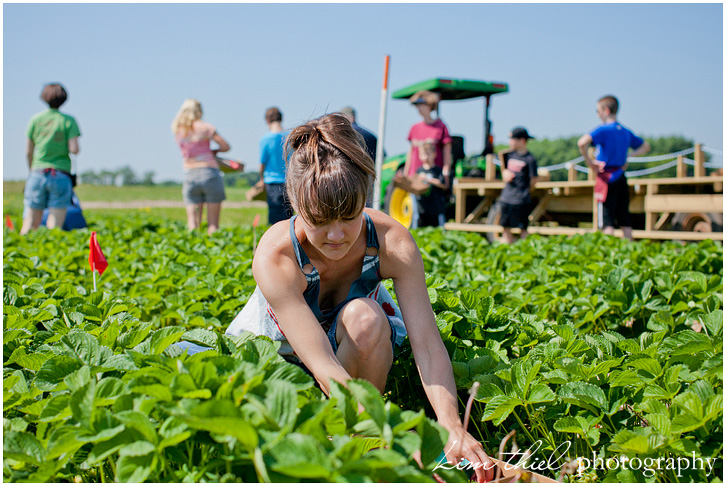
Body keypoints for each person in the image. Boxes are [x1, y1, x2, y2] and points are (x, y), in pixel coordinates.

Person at [226, 113, 494, 481]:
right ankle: (357, 444)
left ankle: (356, 441)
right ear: (294, 201)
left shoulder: (392, 242)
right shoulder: (277, 256)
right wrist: (391, 436)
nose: (336, 235)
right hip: (279, 354)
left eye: (349, 217)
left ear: (365, 198)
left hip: (352, 346)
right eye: (319, 219)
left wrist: (451, 427)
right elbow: (323, 367)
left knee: (367, 318)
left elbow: (428, 344)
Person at [578, 95, 651, 240]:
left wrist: (590, 162)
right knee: (624, 217)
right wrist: (628, 156)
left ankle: (608, 254)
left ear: (605, 110)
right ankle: (629, 251)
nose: (598, 114)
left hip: (606, 177)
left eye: (598, 110)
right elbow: (645, 147)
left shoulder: (603, 130)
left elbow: (582, 143)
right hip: (621, 175)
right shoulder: (624, 131)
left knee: (607, 220)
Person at [21, 83, 81, 235]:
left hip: (37, 172)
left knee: (30, 222)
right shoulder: (68, 120)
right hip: (60, 175)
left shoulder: (35, 120)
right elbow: (75, 150)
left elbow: (28, 151)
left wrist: (31, 171)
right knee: (54, 225)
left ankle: (16, 254)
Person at [171, 99, 231, 234]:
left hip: (190, 174)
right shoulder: (205, 127)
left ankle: (192, 248)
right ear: (198, 110)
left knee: (192, 222)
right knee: (213, 224)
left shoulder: (179, 131)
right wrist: (214, 151)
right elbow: (226, 146)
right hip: (209, 173)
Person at [402, 90, 453, 188]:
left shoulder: (441, 127)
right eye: (417, 106)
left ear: (429, 106)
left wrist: (446, 172)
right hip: (416, 176)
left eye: (421, 105)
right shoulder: (414, 128)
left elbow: (447, 152)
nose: (418, 108)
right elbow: (411, 152)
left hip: (433, 177)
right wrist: (406, 172)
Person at [253, 107, 293, 225]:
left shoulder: (265, 139)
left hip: (272, 183)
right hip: (289, 183)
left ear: (267, 120)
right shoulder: (290, 137)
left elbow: (262, 164)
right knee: (289, 219)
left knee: (275, 220)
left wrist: (261, 180)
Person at [499, 127, 538, 244]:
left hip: (521, 198)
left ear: (522, 140)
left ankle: (523, 250)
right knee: (505, 226)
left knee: (523, 228)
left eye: (512, 139)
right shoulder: (508, 155)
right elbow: (503, 167)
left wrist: (525, 192)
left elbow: (534, 180)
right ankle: (507, 247)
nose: (510, 142)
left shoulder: (530, 159)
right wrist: (504, 172)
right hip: (507, 197)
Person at [415, 141, 447, 227]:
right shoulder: (419, 171)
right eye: (423, 154)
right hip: (422, 207)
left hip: (435, 208)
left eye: (428, 154)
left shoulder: (437, 170)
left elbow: (442, 184)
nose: (425, 157)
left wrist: (428, 179)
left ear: (434, 154)